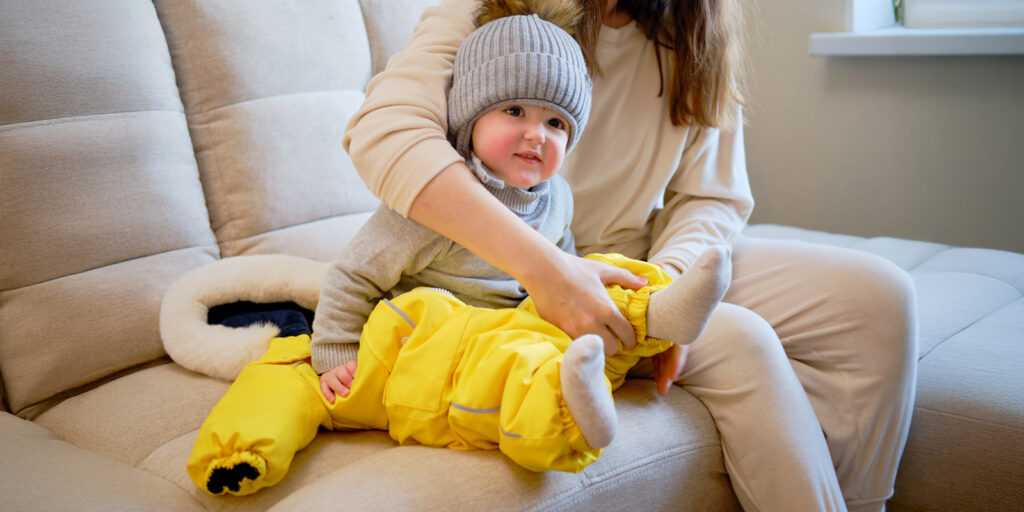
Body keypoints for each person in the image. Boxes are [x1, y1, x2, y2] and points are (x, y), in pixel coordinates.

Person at [342, 0, 919, 511]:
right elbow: (386, 131)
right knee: (744, 342)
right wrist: (547, 268)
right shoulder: (492, 8)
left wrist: (664, 286)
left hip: (646, 265)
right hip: (512, 279)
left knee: (879, 299)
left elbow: (710, 197)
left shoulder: (692, 32)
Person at [185, 2, 729, 496]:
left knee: (601, 274)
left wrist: (581, 285)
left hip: (504, 320)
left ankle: (656, 310)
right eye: (514, 112)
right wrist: (334, 352)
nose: (537, 134)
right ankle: (562, 402)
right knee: (499, 360)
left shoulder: (556, 198)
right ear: (470, 118)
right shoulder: (437, 204)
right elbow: (353, 275)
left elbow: (568, 259)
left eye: (556, 123)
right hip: (423, 336)